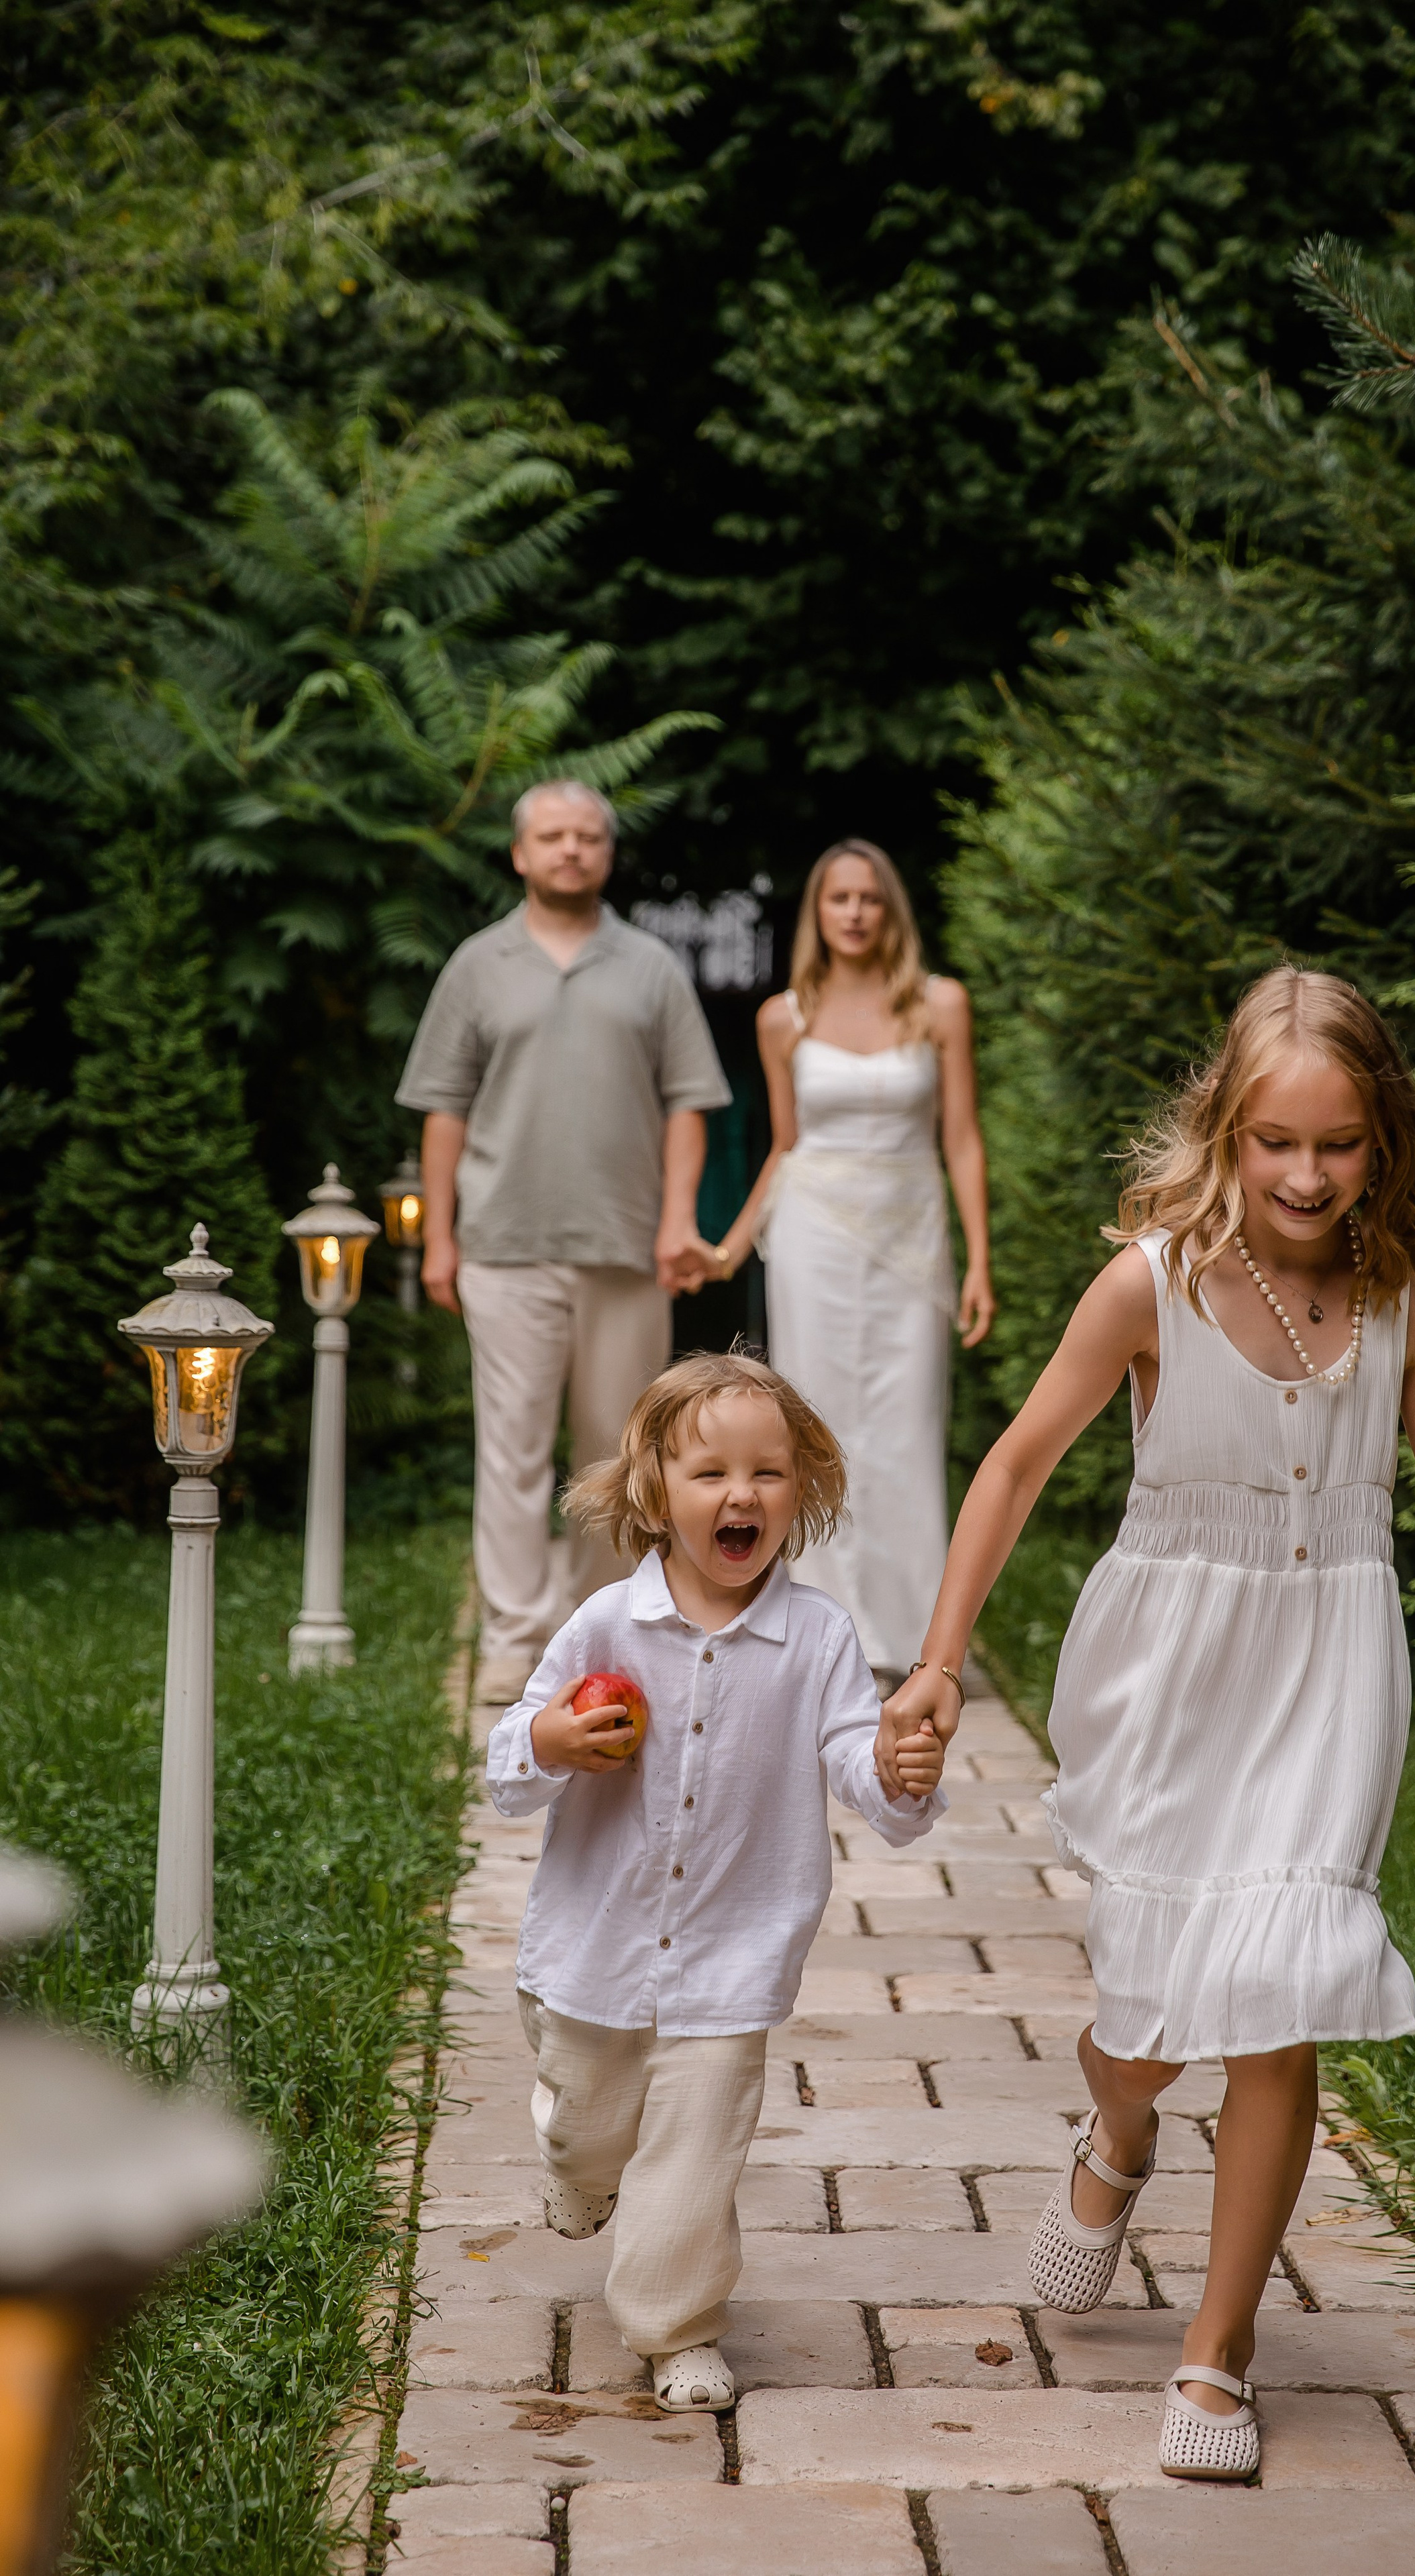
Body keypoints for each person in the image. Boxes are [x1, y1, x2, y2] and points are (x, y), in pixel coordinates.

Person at [875, 965, 1415, 2481]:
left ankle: (1215, 2348)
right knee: (1151, 2021)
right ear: (1225, 1133)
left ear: (1380, 1137)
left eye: (1335, 1144)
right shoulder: (1149, 1282)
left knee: (1282, 1993)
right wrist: (933, 1661)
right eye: (1274, 1144)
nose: (1306, 1176)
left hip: (1329, 1668)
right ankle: (1114, 2130)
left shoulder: (1408, 1297)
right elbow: (1007, 1467)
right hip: (1171, 1671)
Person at [487, 1350, 947, 2410]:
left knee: (694, 2154)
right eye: (711, 1474)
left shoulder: (820, 1637)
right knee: (589, 2125)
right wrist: (552, 1739)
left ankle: (675, 2325)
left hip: (734, 1952)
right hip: (592, 1949)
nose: (741, 1495)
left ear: (804, 1490)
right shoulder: (604, 1624)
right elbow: (512, 1762)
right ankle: (575, 2168)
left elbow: (852, 1762)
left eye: (769, 1473)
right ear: (656, 1492)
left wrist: (894, 1769)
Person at [396, 780, 731, 1705]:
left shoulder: (652, 968)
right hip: (503, 1247)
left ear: (607, 854)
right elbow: (443, 1110)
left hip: (628, 1250)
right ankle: (510, 1639)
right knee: (508, 1450)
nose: (571, 850)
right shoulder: (476, 965)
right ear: (520, 853)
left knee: (614, 1456)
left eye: (588, 837)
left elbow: (689, 1104)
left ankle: (597, 1639)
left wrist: (676, 1220)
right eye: (553, 837)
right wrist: (439, 1239)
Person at [699, 838, 994, 1687]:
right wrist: (728, 1248)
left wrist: (978, 1262)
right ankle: (823, 1636)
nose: (855, 913)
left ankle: (916, 1636)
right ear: (818, 914)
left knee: (906, 1427)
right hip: (812, 1236)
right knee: (815, 1423)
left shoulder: (940, 1005)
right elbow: (786, 1144)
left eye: (869, 898)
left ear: (889, 909)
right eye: (839, 899)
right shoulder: (781, 1017)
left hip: (910, 1233)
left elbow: (963, 1140)